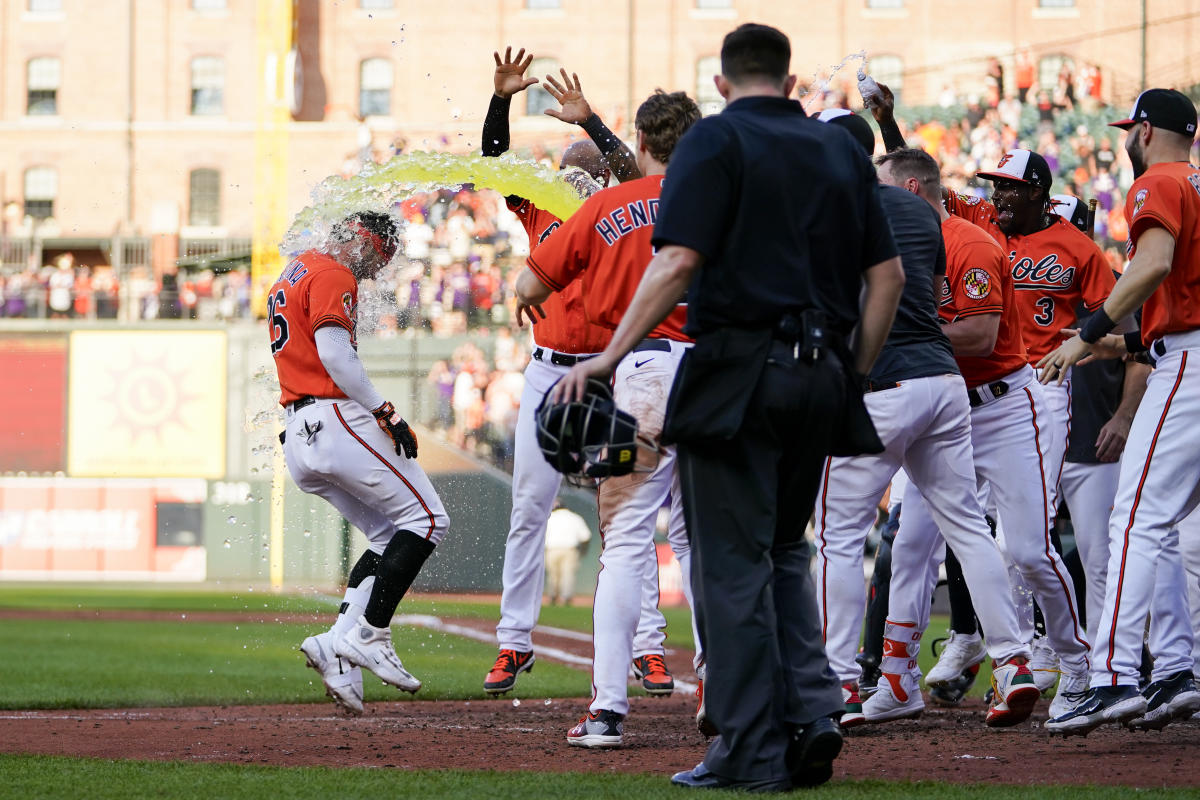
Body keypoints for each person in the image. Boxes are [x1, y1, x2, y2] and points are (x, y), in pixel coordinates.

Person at [554, 23, 904, 790]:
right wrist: (850, 371)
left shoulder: (713, 143)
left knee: (730, 566)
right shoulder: (840, 149)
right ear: (787, 80)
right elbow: (888, 281)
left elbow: (678, 260)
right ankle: (814, 714)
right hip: (821, 374)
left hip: (739, 371)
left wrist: (610, 356)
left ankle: (750, 749)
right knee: (786, 551)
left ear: (722, 83)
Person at [810, 125, 1038, 730]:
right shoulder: (921, 215)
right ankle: (1012, 662)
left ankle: (832, 683)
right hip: (943, 384)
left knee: (836, 535)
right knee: (965, 528)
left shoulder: (833, 208)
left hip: (883, 382)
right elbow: (933, 297)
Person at [480, 47, 676, 698]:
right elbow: (495, 165)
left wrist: (591, 125)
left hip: (613, 372)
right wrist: (502, 97)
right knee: (529, 506)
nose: (576, 179)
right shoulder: (543, 210)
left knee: (626, 516)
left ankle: (648, 646)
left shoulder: (623, 210)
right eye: (570, 171)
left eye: (586, 171)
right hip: (549, 369)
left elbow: (636, 171)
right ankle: (514, 640)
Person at [514, 87, 704, 749]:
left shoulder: (606, 203)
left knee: (624, 545)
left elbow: (530, 285)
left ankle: (608, 711)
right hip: (717, 375)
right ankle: (719, 687)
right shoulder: (722, 202)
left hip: (643, 372)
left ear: (643, 144)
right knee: (708, 542)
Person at [1040, 88, 1200, 734]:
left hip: (1187, 365)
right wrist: (1125, 342)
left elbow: (1156, 265)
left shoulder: (1158, 180)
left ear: (1143, 130)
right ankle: (1177, 671)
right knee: (1164, 524)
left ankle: (1110, 678)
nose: (1125, 141)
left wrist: (1089, 330)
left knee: (1134, 518)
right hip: (1183, 351)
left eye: (1129, 130)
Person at [273, 211, 450, 715]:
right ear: (358, 237)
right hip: (332, 416)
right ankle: (371, 633)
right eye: (374, 255)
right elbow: (335, 355)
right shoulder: (332, 271)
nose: (372, 270)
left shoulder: (296, 269)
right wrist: (385, 410)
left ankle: (335, 645)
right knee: (429, 519)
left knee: (385, 535)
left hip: (299, 431)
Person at [543, 501, 592, 606]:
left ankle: (553, 597)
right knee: (568, 575)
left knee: (553, 575)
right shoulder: (575, 518)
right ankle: (566, 598)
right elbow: (586, 536)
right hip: (570, 549)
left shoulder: (550, 518)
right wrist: (584, 551)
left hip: (552, 549)